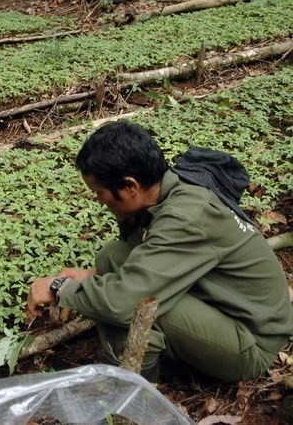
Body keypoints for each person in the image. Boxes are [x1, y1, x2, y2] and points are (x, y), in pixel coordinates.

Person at [26, 120, 293, 382]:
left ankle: (136, 384)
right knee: (112, 256)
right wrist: (89, 276)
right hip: (229, 308)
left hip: (251, 343)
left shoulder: (186, 216)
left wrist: (58, 288)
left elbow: (122, 304)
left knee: (127, 310)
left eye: (99, 193)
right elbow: (142, 256)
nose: (98, 201)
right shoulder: (172, 187)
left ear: (130, 186)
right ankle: (154, 352)